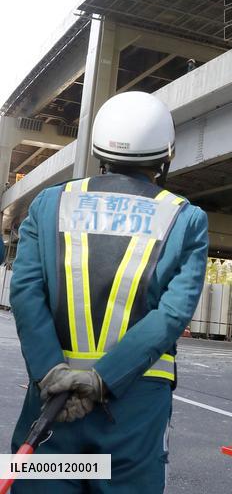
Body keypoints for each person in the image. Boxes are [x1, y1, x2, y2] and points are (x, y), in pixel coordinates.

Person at [10, 90, 209, 492]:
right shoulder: (186, 219)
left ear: (99, 148)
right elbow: (170, 316)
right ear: (165, 156)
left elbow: (26, 293)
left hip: (52, 405)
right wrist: (102, 379)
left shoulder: (50, 203)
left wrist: (52, 371)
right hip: (132, 408)